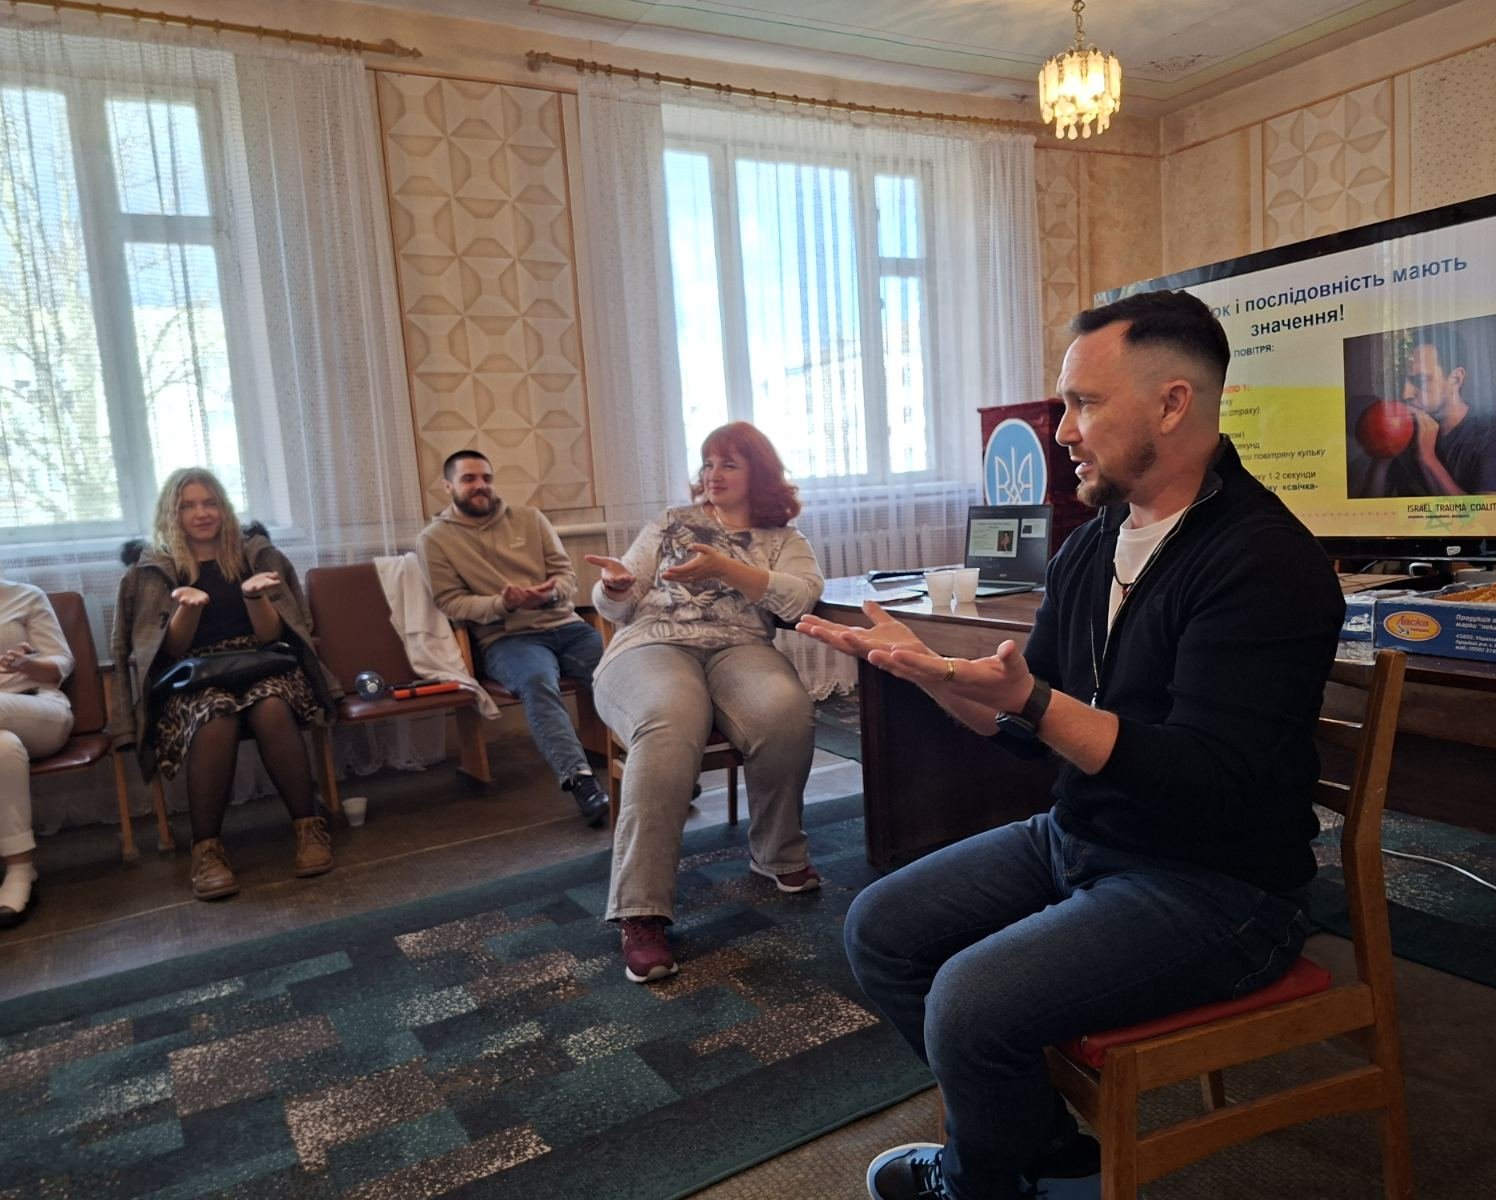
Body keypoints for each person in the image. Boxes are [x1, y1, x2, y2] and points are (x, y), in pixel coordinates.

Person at [798, 290, 1344, 1200]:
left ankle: (983, 1181)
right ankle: (1044, 1157)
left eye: (1085, 403)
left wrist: (1034, 702)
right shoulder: (1095, 545)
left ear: (1172, 404)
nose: (1062, 432)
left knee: (968, 1002)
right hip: (1084, 839)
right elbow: (1024, 730)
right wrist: (930, 673)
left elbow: (1204, 781)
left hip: (1223, 889)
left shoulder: (1264, 560)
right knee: (881, 931)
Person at [585, 421, 824, 984]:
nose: (712, 474)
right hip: (651, 644)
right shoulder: (671, 522)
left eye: (728, 464)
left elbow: (800, 598)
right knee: (670, 718)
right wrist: (614, 587)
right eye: (708, 463)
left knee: (785, 711)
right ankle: (640, 911)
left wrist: (726, 567)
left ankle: (778, 854)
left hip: (740, 647)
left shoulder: (784, 540)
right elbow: (618, 600)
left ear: (759, 474)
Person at [111, 468, 339, 900]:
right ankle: (207, 850)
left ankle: (309, 829)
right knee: (215, 717)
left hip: (263, 662)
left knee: (271, 705)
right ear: (172, 514)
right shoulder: (155, 569)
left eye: (210, 503)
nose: (201, 513)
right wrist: (188, 609)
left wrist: (254, 596)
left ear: (224, 507)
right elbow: (167, 650)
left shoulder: (255, 555)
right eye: (188, 506)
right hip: (193, 674)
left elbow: (274, 636)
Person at [418, 449, 609, 827]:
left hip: (565, 624)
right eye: (469, 479)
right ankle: (581, 780)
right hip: (507, 638)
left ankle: (652, 763)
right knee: (538, 682)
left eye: (486, 478)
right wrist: (503, 603)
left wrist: (549, 595)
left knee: (620, 669)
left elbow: (566, 576)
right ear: (448, 487)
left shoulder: (530, 519)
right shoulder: (434, 539)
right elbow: (450, 602)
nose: (480, 486)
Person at [0, 578, 74, 926]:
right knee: (3, 748)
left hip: (40, 708)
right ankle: (20, 870)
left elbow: (62, 662)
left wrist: (26, 665)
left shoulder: (25, 596)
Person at [1364, 325, 1496, 497]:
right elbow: (1370, 509)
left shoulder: (1492, 435)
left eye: (1420, 380)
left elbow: (1491, 513)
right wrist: (1381, 459)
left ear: (1456, 379)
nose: (1405, 393)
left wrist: (1427, 458)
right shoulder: (1406, 431)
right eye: (1401, 381)